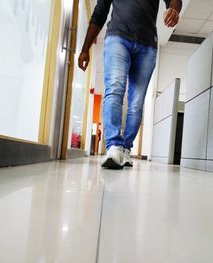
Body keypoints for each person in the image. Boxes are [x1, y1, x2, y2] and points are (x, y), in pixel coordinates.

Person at [78, 0, 182, 169]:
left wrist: (174, 9)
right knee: (115, 88)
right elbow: (99, 13)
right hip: (117, 37)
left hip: (147, 45)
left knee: (136, 102)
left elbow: (175, 0)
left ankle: (125, 149)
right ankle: (113, 146)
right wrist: (85, 49)